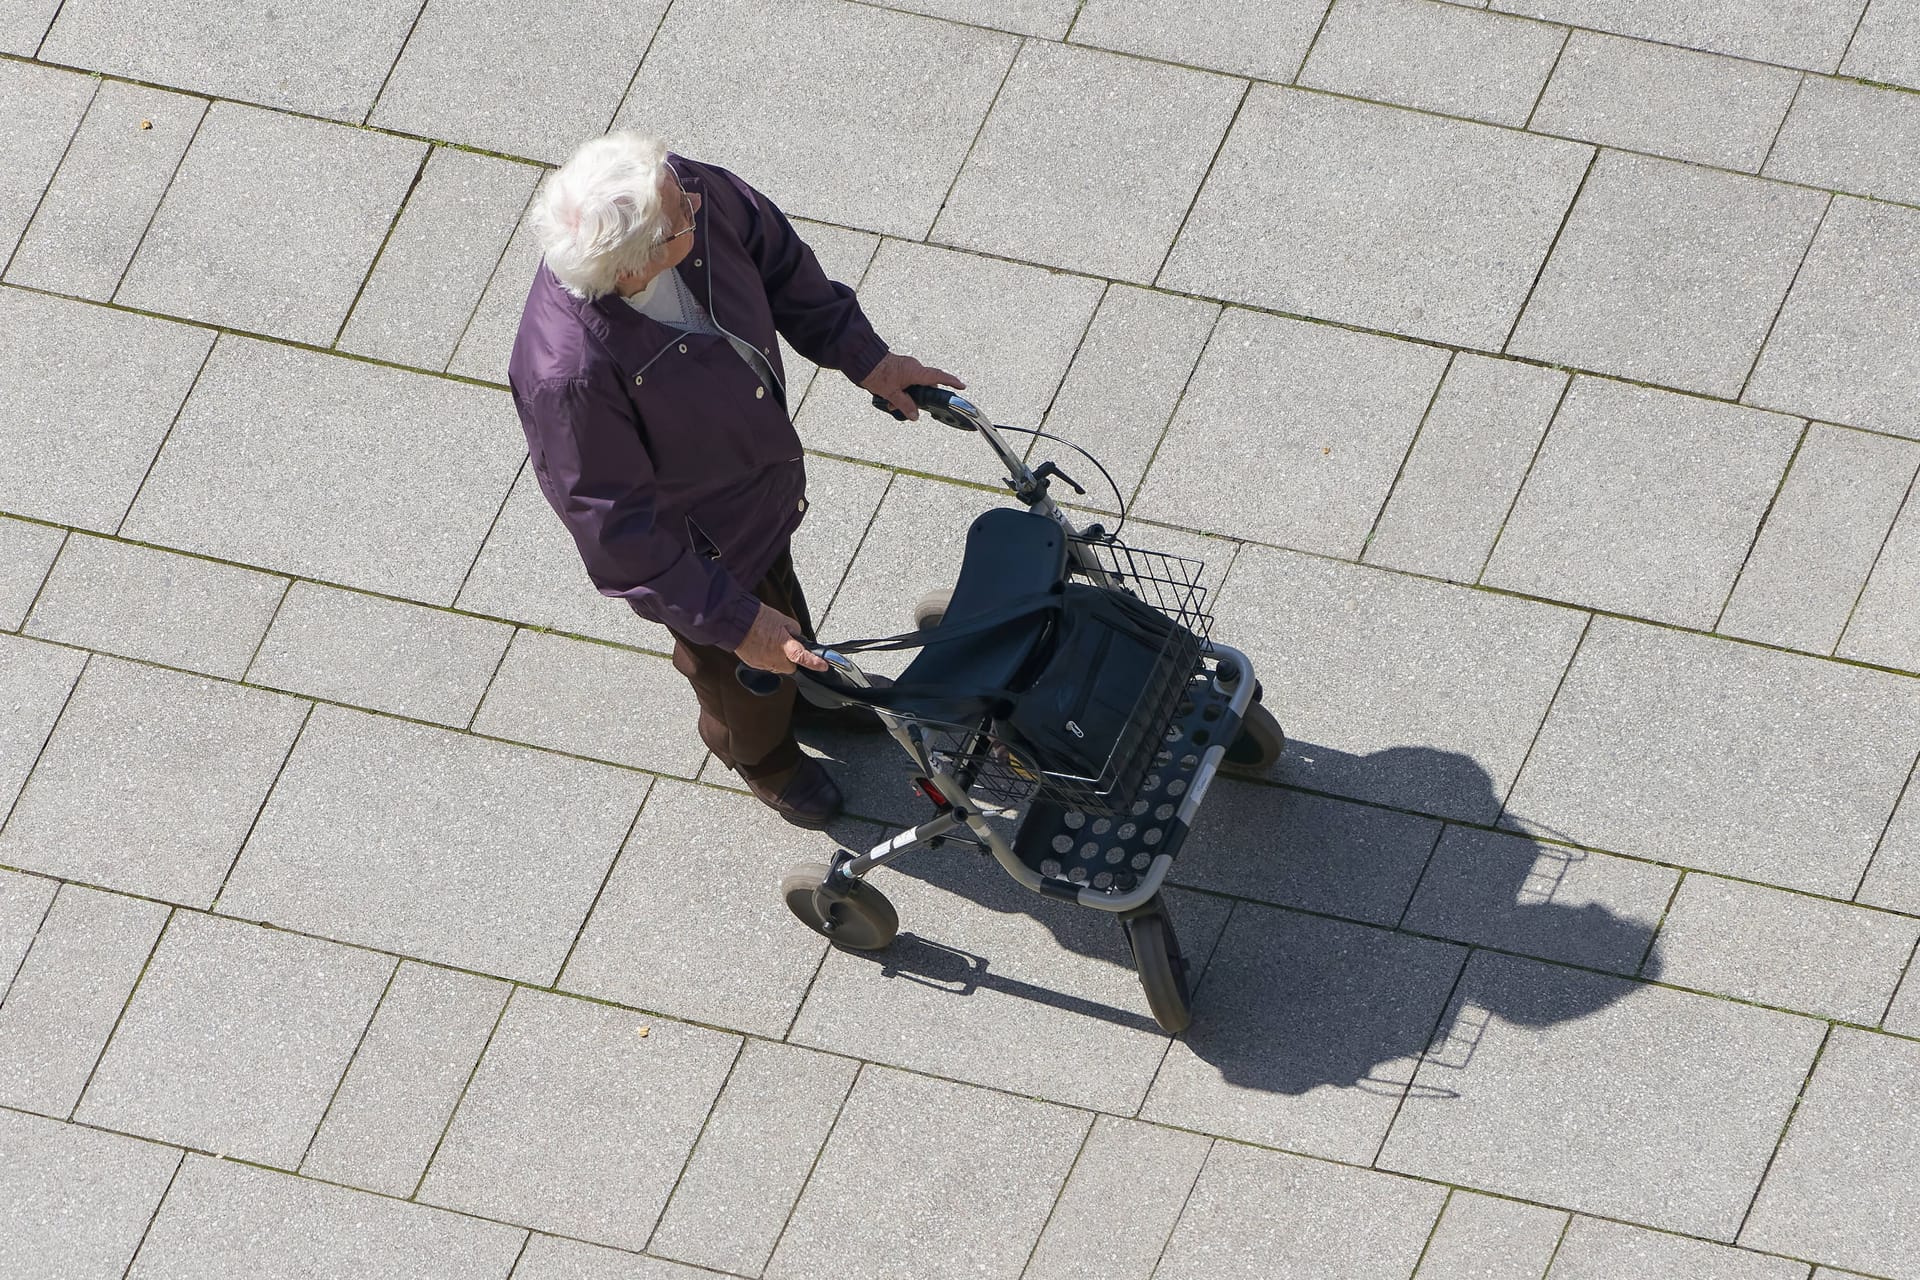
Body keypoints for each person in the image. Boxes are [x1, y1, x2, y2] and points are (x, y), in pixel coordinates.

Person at [508, 132, 960, 829]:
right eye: (682, 213)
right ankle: (759, 752)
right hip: (699, 560)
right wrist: (732, 619)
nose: (696, 196)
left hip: (754, 487)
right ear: (635, 270)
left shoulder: (673, 189)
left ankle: (805, 688)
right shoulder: (567, 375)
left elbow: (779, 261)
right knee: (737, 673)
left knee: (782, 600)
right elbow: (618, 530)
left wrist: (865, 356)